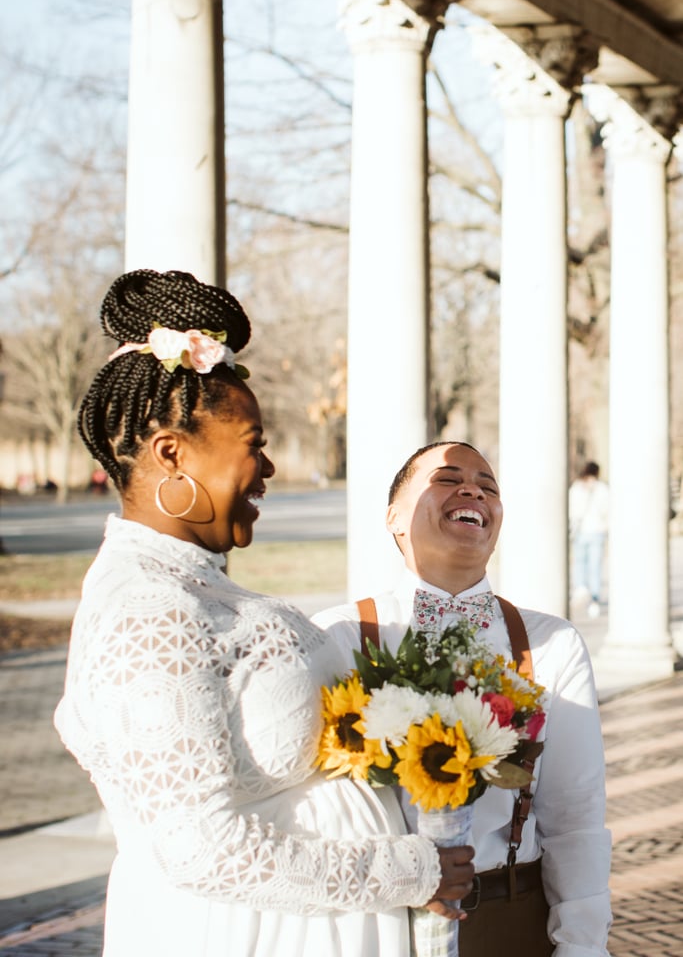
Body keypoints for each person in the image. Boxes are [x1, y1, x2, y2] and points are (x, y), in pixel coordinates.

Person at [54, 270, 474, 957]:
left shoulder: (193, 589)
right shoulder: (147, 612)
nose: (269, 467)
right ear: (172, 454)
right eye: (253, 444)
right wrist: (408, 870)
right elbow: (201, 850)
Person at [314, 441, 612, 957]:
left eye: (488, 485)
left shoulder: (551, 643)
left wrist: (581, 945)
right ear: (394, 518)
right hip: (369, 927)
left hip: (507, 914)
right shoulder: (335, 638)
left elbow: (576, 816)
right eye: (448, 479)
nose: (473, 488)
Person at [569, 461, 610, 618]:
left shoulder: (577, 487)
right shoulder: (601, 488)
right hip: (596, 531)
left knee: (581, 563)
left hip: (582, 531)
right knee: (594, 566)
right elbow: (607, 510)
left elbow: (573, 509)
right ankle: (593, 599)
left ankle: (583, 589)